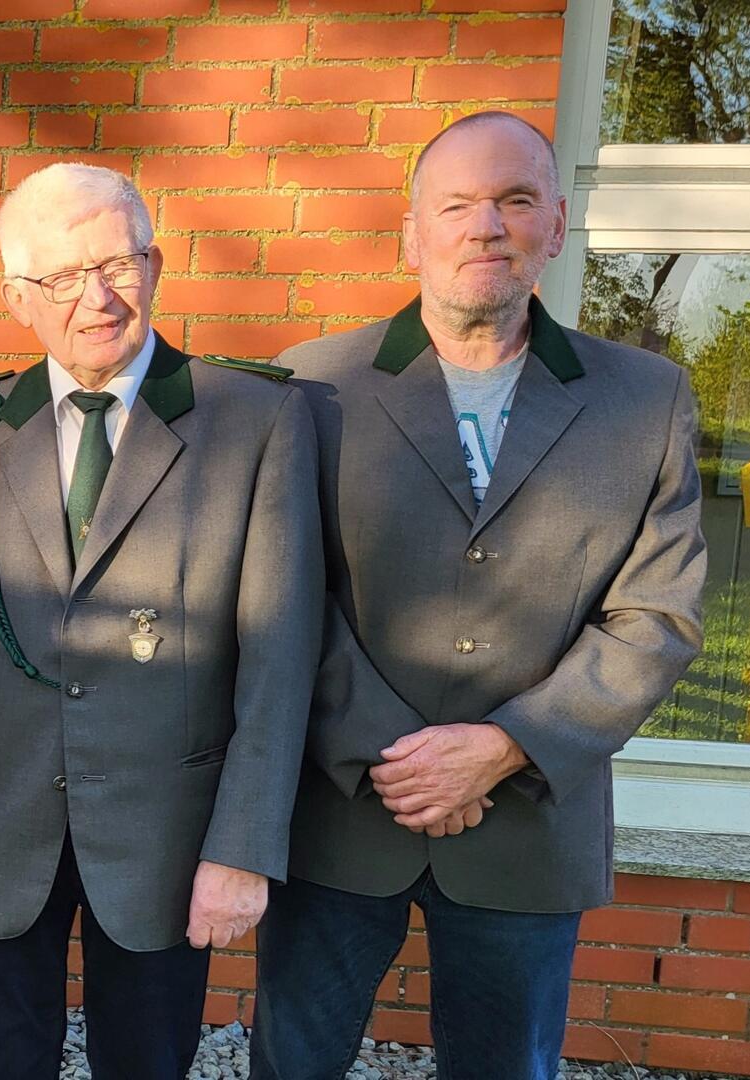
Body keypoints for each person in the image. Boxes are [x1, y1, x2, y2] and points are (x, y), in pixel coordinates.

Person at [252, 111, 707, 1080]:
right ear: (411, 232)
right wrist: (399, 753)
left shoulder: (647, 399)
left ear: (556, 222)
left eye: (514, 201)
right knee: (292, 1062)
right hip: (343, 812)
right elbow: (283, 596)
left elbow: (657, 617)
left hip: (529, 821)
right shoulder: (313, 386)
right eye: (456, 204)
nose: (485, 226)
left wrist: (502, 748)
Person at [0, 162, 323, 1080]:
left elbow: (281, 656)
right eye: (64, 277)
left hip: (169, 832)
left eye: (117, 263)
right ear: (18, 297)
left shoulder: (254, 421)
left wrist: (244, 847)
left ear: (155, 265)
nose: (97, 298)